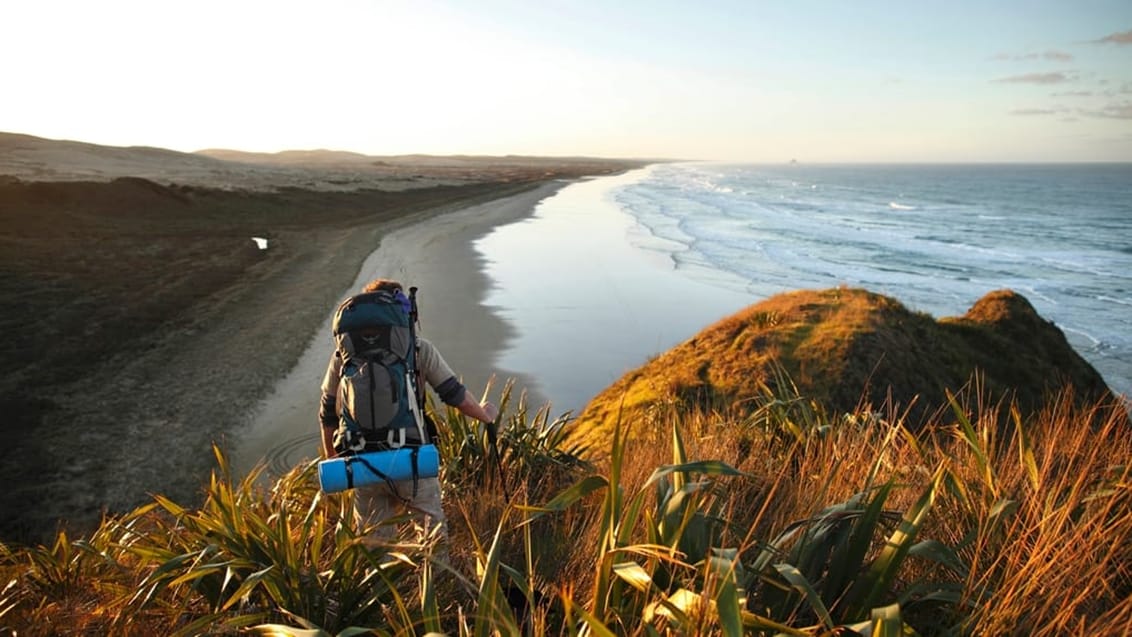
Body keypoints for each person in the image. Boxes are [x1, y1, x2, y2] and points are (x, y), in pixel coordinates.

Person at [318, 278, 498, 546]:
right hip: (412, 459)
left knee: (375, 545)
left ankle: (385, 584)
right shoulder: (417, 348)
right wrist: (485, 415)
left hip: (364, 462)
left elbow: (327, 413)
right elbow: (454, 395)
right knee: (431, 538)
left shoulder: (343, 356)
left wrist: (333, 459)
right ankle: (436, 583)